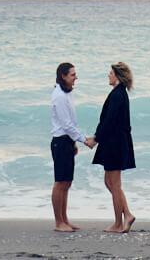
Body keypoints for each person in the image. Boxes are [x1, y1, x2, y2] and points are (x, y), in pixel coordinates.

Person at [92, 61, 136, 233]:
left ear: (117, 77)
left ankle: (119, 223)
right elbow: (108, 121)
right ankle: (128, 215)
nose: (108, 76)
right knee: (109, 181)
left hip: (115, 143)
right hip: (113, 142)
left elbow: (109, 121)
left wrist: (95, 139)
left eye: (111, 73)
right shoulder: (118, 93)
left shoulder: (118, 95)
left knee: (114, 184)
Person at [49, 62, 93, 232]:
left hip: (67, 141)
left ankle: (65, 219)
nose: (76, 78)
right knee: (60, 183)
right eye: (73, 75)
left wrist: (73, 142)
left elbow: (69, 123)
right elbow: (66, 124)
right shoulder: (59, 96)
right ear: (63, 76)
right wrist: (83, 140)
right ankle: (58, 222)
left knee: (67, 182)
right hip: (60, 142)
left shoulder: (66, 94)